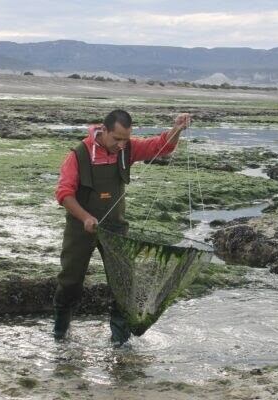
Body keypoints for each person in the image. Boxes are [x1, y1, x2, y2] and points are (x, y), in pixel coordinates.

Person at [53, 109, 190, 344]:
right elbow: (64, 194)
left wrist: (176, 129)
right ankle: (60, 334)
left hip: (115, 228)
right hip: (80, 229)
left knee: (124, 284)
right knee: (70, 282)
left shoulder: (127, 148)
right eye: (117, 139)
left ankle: (120, 343)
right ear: (103, 130)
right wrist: (85, 217)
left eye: (125, 139)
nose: (121, 144)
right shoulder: (78, 155)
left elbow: (162, 146)